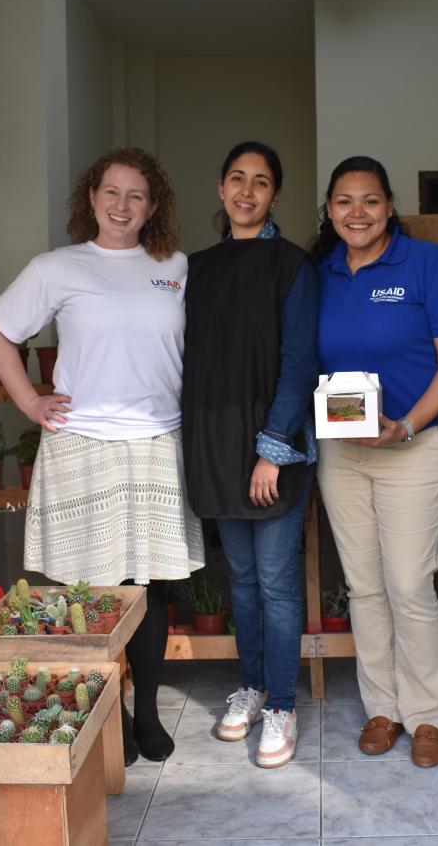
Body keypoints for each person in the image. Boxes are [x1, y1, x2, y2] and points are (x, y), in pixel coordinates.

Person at [0, 146, 204, 765]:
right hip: (82, 444)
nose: (122, 205)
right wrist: (29, 400)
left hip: (157, 440)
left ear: (153, 206)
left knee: (152, 587)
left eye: (136, 195)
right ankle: (114, 713)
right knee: (98, 590)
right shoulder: (57, 268)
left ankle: (150, 714)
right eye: (111, 192)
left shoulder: (176, 267)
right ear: (91, 199)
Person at [312, 156, 438, 768]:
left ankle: (429, 715)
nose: (358, 212)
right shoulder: (318, 272)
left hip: (415, 446)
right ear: (328, 209)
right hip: (343, 452)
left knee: (409, 583)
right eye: (345, 201)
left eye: (370, 200)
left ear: (390, 206)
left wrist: (406, 423)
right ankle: (383, 708)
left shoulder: (428, 265)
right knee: (364, 586)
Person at [181, 141, 318, 768]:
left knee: (277, 583)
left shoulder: (293, 265)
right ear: (219, 187)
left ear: (275, 195)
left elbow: (298, 363)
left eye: (261, 182)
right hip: (216, 447)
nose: (247, 190)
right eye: (236, 178)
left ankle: (283, 702)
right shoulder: (196, 268)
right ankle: (252, 687)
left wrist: (272, 450)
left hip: (275, 450)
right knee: (240, 579)